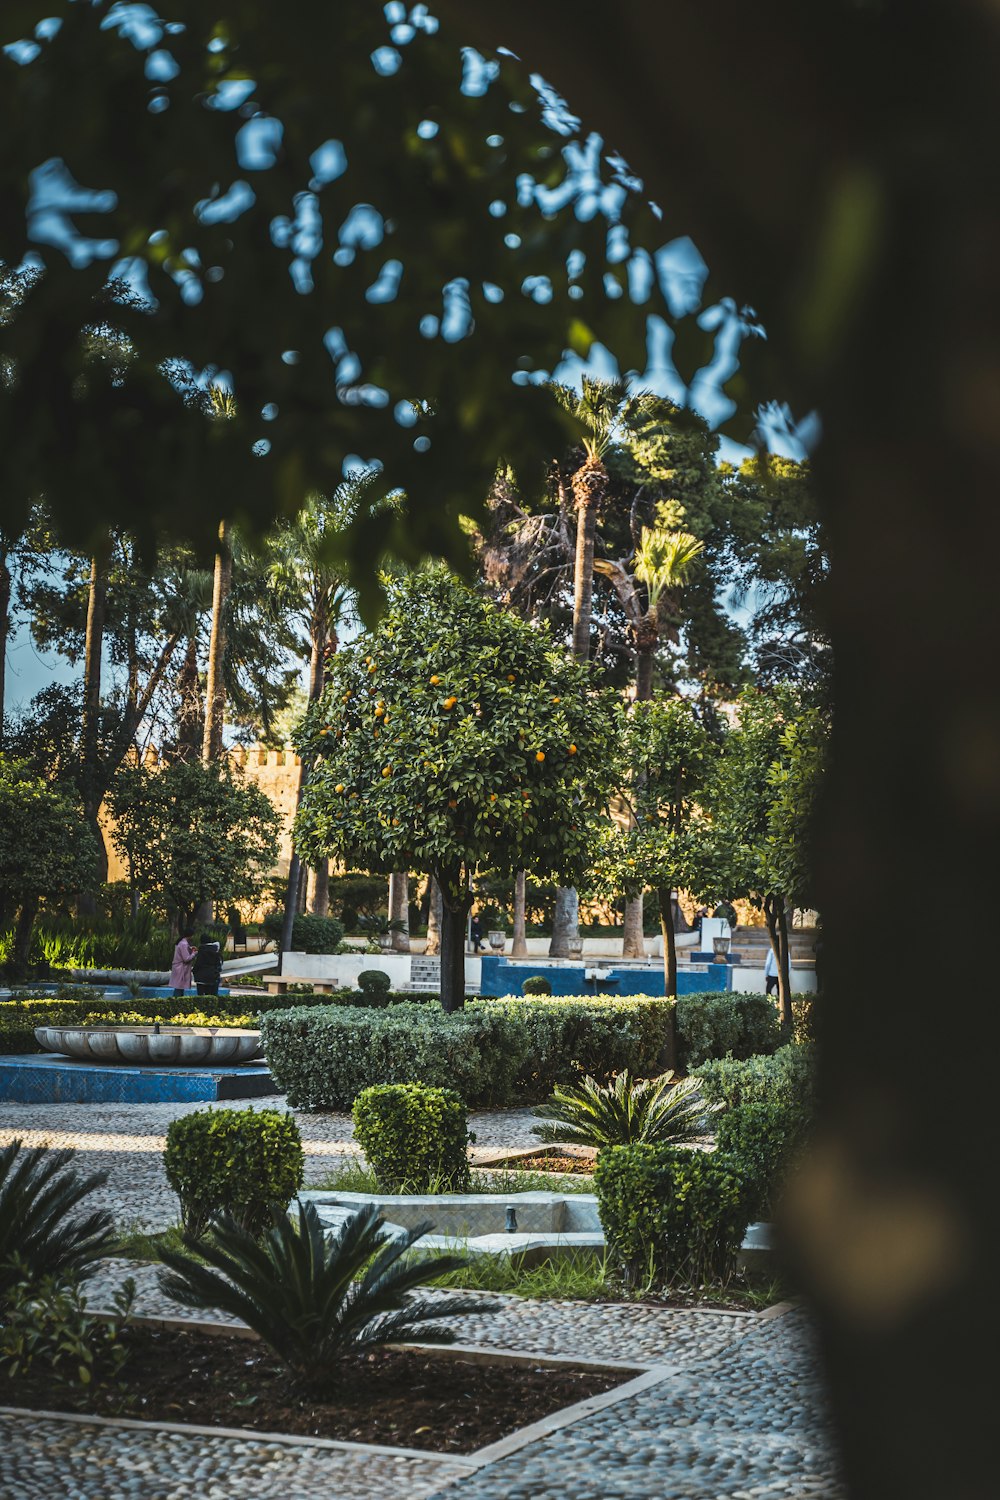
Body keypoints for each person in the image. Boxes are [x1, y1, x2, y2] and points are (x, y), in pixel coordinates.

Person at [192, 931, 223, 998]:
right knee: (212, 996)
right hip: (213, 977)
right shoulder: (215, 951)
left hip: (201, 978)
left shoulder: (202, 951)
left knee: (201, 997)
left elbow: (198, 964)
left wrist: (194, 971)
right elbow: (219, 964)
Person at [170, 928, 198, 998]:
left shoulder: (182, 943)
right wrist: (194, 953)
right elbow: (186, 958)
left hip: (179, 968)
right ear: (190, 935)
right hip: (181, 969)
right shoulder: (184, 944)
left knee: (179, 988)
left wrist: (190, 949)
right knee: (179, 988)